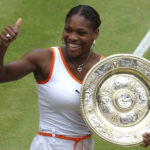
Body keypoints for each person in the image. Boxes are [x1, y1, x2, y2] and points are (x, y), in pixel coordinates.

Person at [0, 4, 150, 150]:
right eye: (68, 30)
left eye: (81, 33)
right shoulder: (45, 59)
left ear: (95, 34)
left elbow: (130, 106)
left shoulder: (105, 70)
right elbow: (2, 75)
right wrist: (2, 45)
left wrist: (144, 132)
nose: (72, 37)